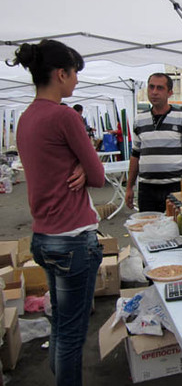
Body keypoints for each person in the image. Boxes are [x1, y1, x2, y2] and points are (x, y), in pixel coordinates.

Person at [9, 39, 105, 386]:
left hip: (44, 237)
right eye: (75, 74)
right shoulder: (64, 116)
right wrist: (83, 161)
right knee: (71, 336)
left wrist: (77, 160)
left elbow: (53, 166)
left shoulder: (27, 117)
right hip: (71, 239)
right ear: (60, 73)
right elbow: (98, 176)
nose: (77, 81)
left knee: (58, 324)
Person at [125, 73, 182, 212]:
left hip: (175, 187)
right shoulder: (139, 120)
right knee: (148, 229)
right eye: (151, 87)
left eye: (160, 88)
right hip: (147, 188)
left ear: (169, 92)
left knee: (176, 230)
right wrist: (129, 187)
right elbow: (135, 154)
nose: (154, 92)